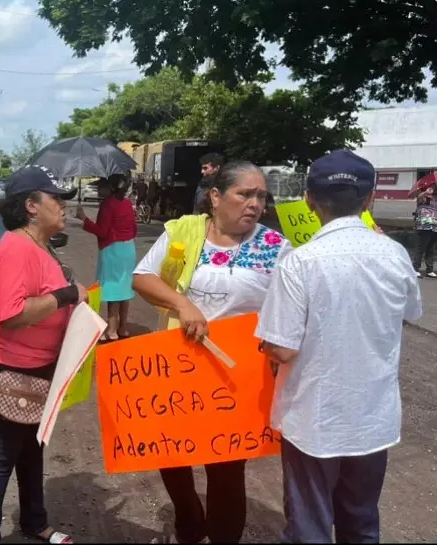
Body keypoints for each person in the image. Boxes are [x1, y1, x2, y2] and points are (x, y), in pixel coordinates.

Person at [256, 151, 422, 544]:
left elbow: (281, 348)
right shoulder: (395, 254)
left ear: (310, 199)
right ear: (369, 200)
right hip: (372, 418)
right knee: (361, 521)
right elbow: (409, 311)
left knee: (309, 525)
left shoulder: (299, 262)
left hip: (314, 420)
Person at [132, 161, 292, 544]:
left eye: (261, 196)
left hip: (236, 373)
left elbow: (294, 306)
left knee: (226, 469)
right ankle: (189, 521)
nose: (254, 203)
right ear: (216, 197)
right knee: (169, 453)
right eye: (245, 194)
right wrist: (183, 304)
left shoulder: (275, 247)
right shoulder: (182, 232)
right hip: (179, 366)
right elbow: (143, 277)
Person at [0, 165, 85, 544]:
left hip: (38, 364)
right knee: (3, 452)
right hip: (8, 365)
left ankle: (35, 522)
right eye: (57, 199)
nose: (64, 206)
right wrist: (67, 296)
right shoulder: (18, 247)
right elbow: (11, 316)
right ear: (32, 206)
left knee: (32, 447)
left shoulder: (39, 244)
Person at [76, 173, 137, 341]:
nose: (98, 190)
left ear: (109, 188)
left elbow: (102, 231)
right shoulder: (126, 203)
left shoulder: (107, 205)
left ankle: (111, 330)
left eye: (101, 187)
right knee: (124, 290)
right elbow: (134, 229)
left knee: (112, 291)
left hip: (113, 250)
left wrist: (83, 219)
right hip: (128, 248)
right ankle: (122, 328)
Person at [407, 178, 437, 278]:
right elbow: (419, 196)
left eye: (433, 188)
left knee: (431, 249)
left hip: (434, 227)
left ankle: (429, 270)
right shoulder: (422, 199)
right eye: (429, 188)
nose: (431, 190)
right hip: (423, 227)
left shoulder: (435, 200)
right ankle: (415, 268)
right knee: (421, 248)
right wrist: (425, 193)